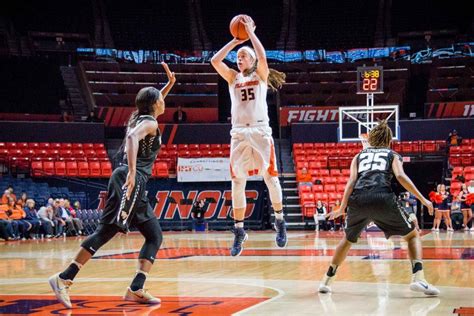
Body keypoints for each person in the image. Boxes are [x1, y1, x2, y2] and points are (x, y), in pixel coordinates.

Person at [49, 62, 175, 309]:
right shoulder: (149, 123)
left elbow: (148, 109)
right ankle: (63, 278)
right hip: (131, 178)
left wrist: (168, 84)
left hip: (136, 181)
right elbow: (131, 138)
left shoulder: (142, 115)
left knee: (154, 235)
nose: (164, 101)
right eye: (161, 98)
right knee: (108, 230)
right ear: (155, 104)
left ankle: (136, 288)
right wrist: (130, 171)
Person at [318, 120, 439, 296]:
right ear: (389, 139)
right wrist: (423, 199)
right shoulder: (392, 154)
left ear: (372, 138)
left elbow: (351, 182)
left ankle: (326, 281)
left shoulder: (358, 156)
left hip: (358, 199)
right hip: (382, 196)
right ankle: (419, 278)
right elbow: (400, 176)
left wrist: (342, 207)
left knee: (347, 240)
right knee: (412, 235)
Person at [211, 15, 287, 256]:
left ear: (252, 60)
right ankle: (239, 229)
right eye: (238, 57)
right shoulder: (233, 78)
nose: (239, 58)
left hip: (260, 130)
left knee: (270, 177)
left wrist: (251, 34)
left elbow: (263, 56)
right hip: (239, 133)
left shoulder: (260, 75)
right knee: (237, 182)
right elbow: (215, 60)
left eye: (243, 55)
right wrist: (235, 41)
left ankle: (280, 219)